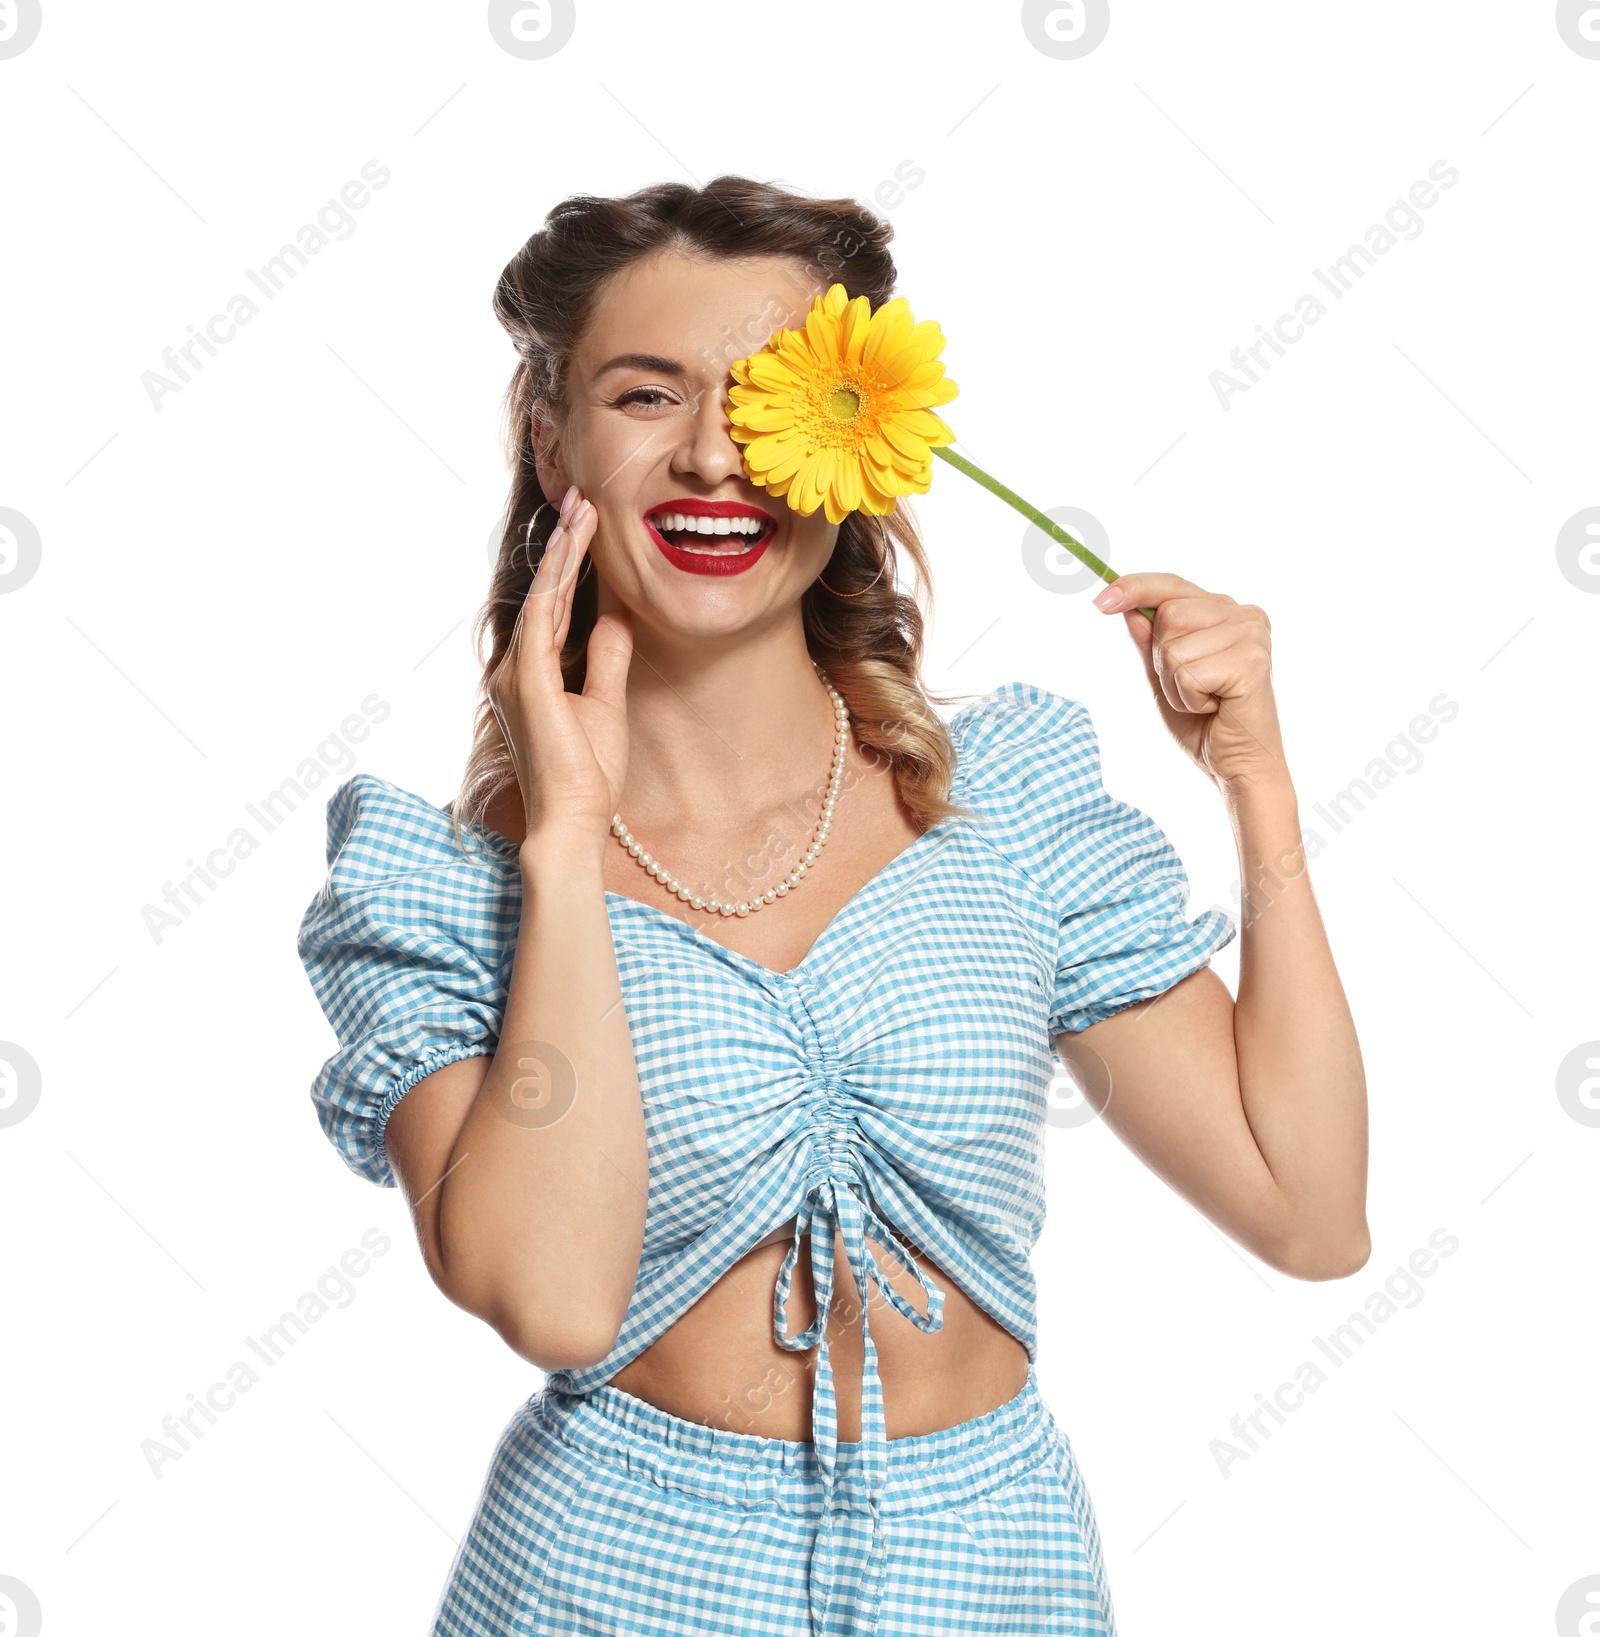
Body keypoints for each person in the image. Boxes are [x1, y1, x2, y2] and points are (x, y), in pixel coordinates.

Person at [296, 176, 1369, 1637]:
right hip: (613, 1578)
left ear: (856, 445)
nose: (716, 457)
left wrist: (1258, 785)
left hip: (993, 1575)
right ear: (556, 444)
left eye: (769, 398)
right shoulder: (440, 891)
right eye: (645, 395)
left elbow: (1307, 1211)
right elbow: (553, 1299)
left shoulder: (1004, 803)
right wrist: (563, 839)